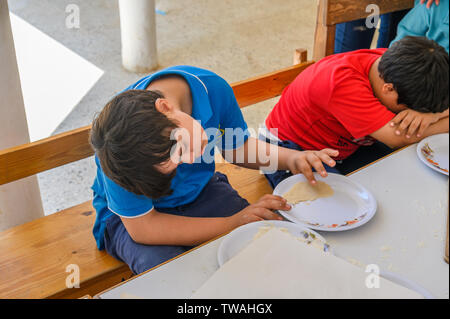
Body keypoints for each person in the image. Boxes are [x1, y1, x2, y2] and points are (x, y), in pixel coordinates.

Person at [89, 65, 339, 274]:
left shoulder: (211, 90)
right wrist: (231, 223)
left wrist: (293, 158)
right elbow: (144, 228)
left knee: (262, 241)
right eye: (173, 165)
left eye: (179, 149)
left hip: (199, 190)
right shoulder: (119, 152)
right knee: (171, 277)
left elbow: (236, 147)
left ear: (165, 107)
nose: (188, 161)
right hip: (132, 219)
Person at [263, 36, 449, 187]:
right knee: (334, 210)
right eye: (408, 109)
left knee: (407, 181)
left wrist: (433, 115)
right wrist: (437, 119)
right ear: (388, 89)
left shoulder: (402, 66)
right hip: (287, 150)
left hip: (344, 146)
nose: (412, 115)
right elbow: (397, 137)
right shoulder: (342, 84)